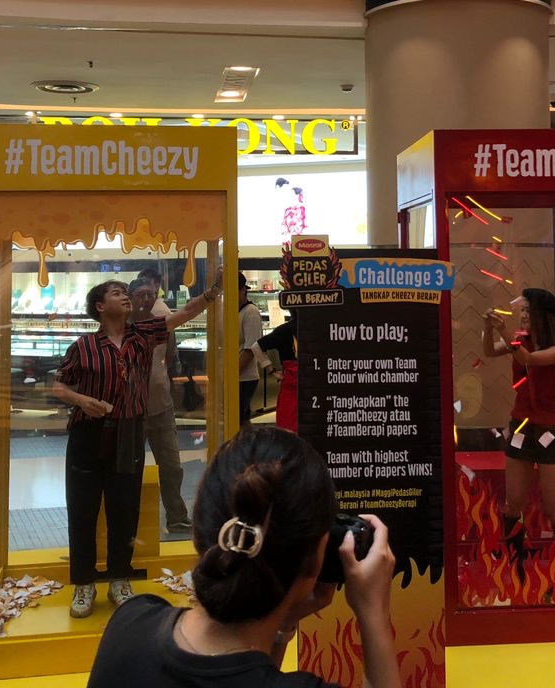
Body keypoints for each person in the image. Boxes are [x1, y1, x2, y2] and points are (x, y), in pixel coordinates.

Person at [86, 425, 399, 688]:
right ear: (316, 560)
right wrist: (373, 611)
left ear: (200, 530)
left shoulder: (129, 624)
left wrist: (283, 620)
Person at [53, 270, 222, 617]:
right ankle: (83, 585)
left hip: (129, 431)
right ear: (100, 306)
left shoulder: (144, 335)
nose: (125, 296)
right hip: (88, 435)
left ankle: (119, 578)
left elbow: (184, 314)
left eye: (123, 292)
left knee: (125, 509)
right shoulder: (83, 346)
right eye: (116, 293)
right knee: (83, 510)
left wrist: (210, 294)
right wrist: (82, 401)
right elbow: (59, 386)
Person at [483, 288, 555, 586]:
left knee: (553, 508)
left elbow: (528, 359)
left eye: (526, 311)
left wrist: (504, 331)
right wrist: (489, 327)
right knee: (513, 504)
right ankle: (515, 563)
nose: (522, 316)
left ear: (540, 316)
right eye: (520, 311)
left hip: (550, 430)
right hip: (520, 427)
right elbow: (488, 351)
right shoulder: (517, 340)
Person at [128, 277, 191, 535]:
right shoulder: (122, 327)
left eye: (150, 294)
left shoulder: (163, 328)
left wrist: (175, 388)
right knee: (130, 469)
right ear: (130, 297)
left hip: (162, 408)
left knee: (172, 466)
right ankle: (130, 521)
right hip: (131, 411)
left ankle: (176, 517)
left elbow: (171, 361)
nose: (146, 299)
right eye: (141, 294)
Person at [252, 318, 298, 431]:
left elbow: (256, 347)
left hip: (290, 382)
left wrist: (271, 370)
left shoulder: (285, 329)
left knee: (288, 426)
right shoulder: (317, 327)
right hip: (313, 380)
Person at [236, 274, 263, 428]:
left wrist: (231, 374)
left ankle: (247, 448)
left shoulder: (250, 312)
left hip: (244, 379)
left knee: (239, 419)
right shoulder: (230, 310)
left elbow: (250, 349)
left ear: (242, 290)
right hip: (235, 377)